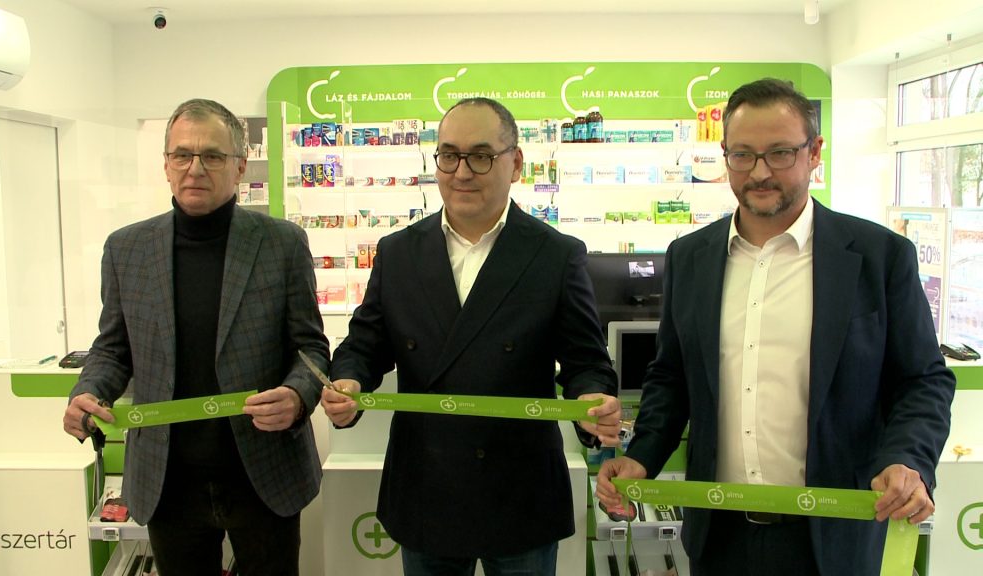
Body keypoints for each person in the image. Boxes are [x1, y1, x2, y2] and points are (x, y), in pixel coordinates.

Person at [596, 78, 956, 576]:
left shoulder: (879, 257)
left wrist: (907, 458)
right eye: (743, 155)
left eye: (780, 153)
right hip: (720, 535)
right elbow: (672, 376)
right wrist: (643, 457)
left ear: (814, 152)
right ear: (725, 157)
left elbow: (923, 379)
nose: (760, 172)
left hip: (834, 536)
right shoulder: (690, 256)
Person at [321, 97, 621, 576]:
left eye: (481, 156)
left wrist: (591, 399)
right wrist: (349, 382)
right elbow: (365, 345)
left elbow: (587, 361)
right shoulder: (399, 252)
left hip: (519, 490)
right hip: (427, 486)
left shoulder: (555, 255)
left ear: (515, 163)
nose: (462, 172)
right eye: (449, 155)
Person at [62, 98, 329, 576]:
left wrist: (296, 395)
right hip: (168, 478)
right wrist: (89, 389)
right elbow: (113, 348)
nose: (195, 168)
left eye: (212, 156)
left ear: (240, 166)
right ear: (166, 164)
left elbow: (310, 348)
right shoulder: (126, 248)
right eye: (182, 155)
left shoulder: (282, 243)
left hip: (262, 471)